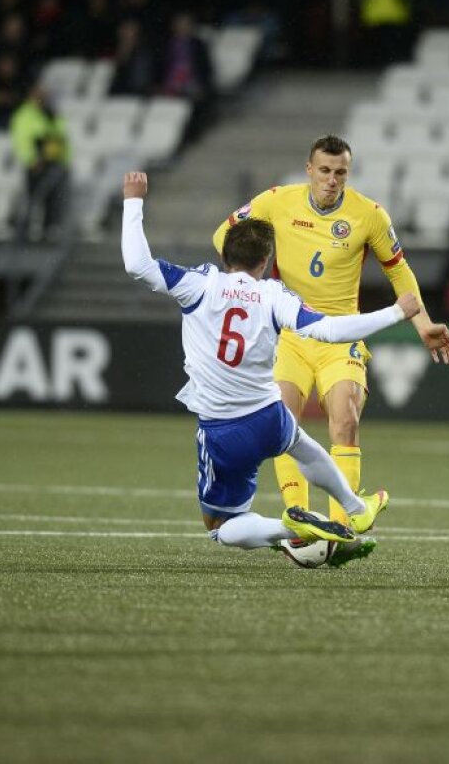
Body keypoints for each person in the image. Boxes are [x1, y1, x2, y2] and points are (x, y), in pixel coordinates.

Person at [120, 172, 403, 552]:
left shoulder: (199, 284)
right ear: (267, 261)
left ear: (224, 255)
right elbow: (331, 330)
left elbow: (137, 264)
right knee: (303, 447)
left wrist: (133, 200)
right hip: (268, 417)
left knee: (220, 526)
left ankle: (289, 527)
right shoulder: (273, 295)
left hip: (221, 426)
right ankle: (354, 507)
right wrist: (396, 312)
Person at [211, 134, 449, 566]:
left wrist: (423, 323)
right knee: (282, 424)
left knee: (345, 418)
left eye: (340, 172)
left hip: (341, 335)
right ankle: (301, 523)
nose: (331, 180)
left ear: (348, 173)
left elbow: (399, 271)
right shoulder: (276, 201)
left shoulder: (369, 215)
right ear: (309, 169)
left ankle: (343, 532)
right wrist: (251, 284)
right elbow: (223, 236)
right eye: (324, 171)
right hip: (291, 334)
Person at [10, 84, 71, 241]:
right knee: (33, 197)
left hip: (54, 162)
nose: (42, 97)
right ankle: (23, 232)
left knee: (52, 199)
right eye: (39, 93)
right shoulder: (24, 115)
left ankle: (47, 231)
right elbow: (21, 140)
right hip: (37, 164)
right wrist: (31, 159)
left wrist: (65, 160)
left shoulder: (51, 113)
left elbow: (62, 137)